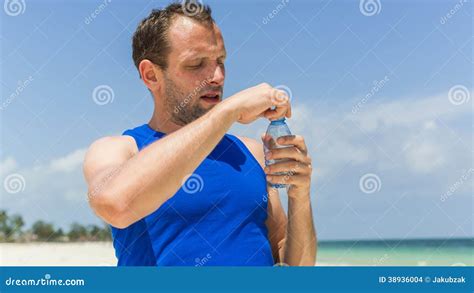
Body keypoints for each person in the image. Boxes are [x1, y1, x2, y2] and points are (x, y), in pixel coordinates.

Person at [83, 0, 316, 266]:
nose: (217, 76)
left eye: (221, 61)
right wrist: (228, 111)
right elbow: (115, 205)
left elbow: (294, 267)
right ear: (151, 75)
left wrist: (300, 195)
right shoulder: (120, 149)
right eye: (196, 64)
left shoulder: (249, 153)